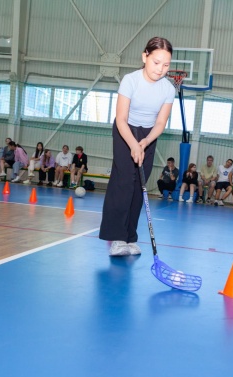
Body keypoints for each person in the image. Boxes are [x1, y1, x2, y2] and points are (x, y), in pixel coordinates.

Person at [99, 37, 175, 256]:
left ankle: (130, 238)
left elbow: (160, 123)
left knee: (139, 186)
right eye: (156, 62)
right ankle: (117, 238)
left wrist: (145, 142)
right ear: (145, 57)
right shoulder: (130, 80)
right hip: (125, 131)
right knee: (123, 183)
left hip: (148, 135)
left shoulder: (168, 89)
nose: (160, 69)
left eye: (166, 65)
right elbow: (121, 119)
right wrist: (133, 144)